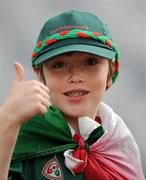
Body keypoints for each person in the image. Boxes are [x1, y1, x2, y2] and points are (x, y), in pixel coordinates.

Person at [0, 10, 145, 180]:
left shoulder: (120, 147)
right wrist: (7, 122)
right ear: (41, 76)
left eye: (90, 62)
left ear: (110, 73)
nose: (76, 77)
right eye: (59, 65)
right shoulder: (17, 137)